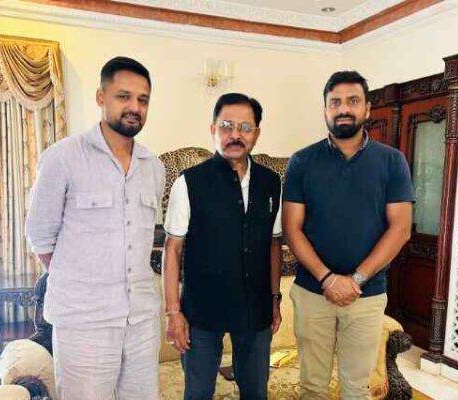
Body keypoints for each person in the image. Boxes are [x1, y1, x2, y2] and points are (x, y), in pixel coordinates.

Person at [25, 56, 165, 400]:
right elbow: (41, 236)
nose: (134, 107)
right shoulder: (63, 158)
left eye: (143, 99)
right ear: (101, 97)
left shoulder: (153, 166)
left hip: (141, 319)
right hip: (84, 321)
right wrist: (80, 282)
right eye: (124, 96)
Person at [283, 71, 414, 400]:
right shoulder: (302, 161)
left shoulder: (392, 161)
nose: (343, 108)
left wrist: (356, 279)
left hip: (366, 295)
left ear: (367, 108)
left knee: (357, 388)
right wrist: (327, 279)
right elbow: (292, 228)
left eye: (353, 101)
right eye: (335, 102)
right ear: (325, 110)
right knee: (312, 387)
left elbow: (400, 229)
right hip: (313, 292)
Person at [163, 93, 282, 400]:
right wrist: (174, 312)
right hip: (202, 310)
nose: (235, 134)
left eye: (245, 127)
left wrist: (275, 298)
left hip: (255, 309)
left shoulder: (271, 182)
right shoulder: (189, 183)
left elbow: (274, 244)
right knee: (198, 392)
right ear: (212, 129)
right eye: (227, 126)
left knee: (256, 392)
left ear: (256, 133)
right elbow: (172, 249)